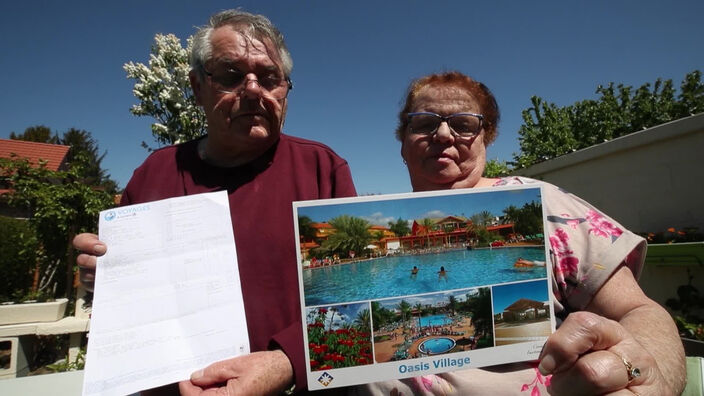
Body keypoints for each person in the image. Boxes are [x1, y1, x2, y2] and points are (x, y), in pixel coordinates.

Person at [73, 10, 356, 395]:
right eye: (231, 75)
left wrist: (285, 362)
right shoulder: (155, 172)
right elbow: (129, 297)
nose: (254, 90)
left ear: (285, 90)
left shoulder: (323, 170)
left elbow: (353, 305)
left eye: (270, 78)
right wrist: (104, 276)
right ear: (196, 87)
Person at [352, 72, 685, 395]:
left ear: (487, 137)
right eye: (424, 123)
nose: (442, 134)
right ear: (403, 142)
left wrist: (653, 378)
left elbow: (637, 311)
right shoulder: (382, 221)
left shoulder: (548, 206)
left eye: (463, 124)